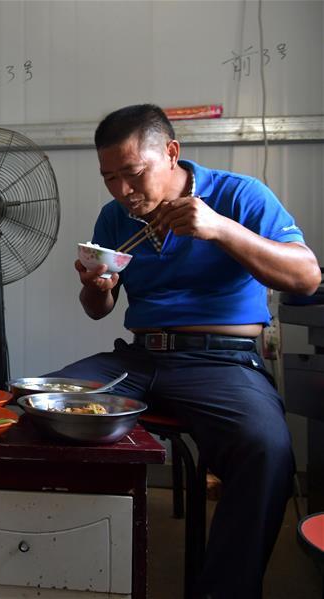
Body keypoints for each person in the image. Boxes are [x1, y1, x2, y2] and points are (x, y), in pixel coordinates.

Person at [46, 104, 321, 598]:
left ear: (171, 153)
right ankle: (61, 569)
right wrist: (97, 286)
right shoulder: (115, 217)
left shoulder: (238, 195)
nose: (122, 192)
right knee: (39, 403)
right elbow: (97, 309)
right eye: (110, 178)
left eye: (133, 174)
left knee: (267, 449)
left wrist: (220, 229)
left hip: (221, 360)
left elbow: (306, 276)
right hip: (139, 358)